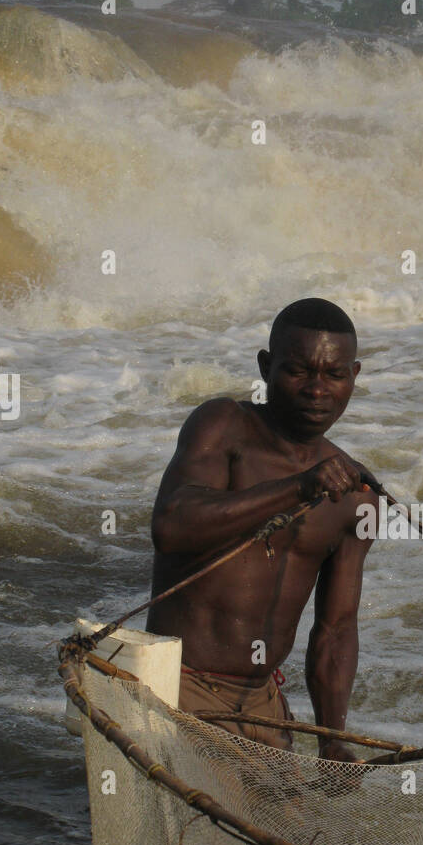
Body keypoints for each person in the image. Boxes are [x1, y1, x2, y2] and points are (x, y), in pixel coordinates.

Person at [146, 298, 377, 761]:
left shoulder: (355, 495)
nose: (317, 389)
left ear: (354, 376)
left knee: (294, 832)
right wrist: (297, 487)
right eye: (298, 371)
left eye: (334, 375)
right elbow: (172, 525)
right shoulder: (224, 425)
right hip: (175, 686)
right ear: (266, 367)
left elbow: (336, 628)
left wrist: (332, 738)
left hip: (260, 704)